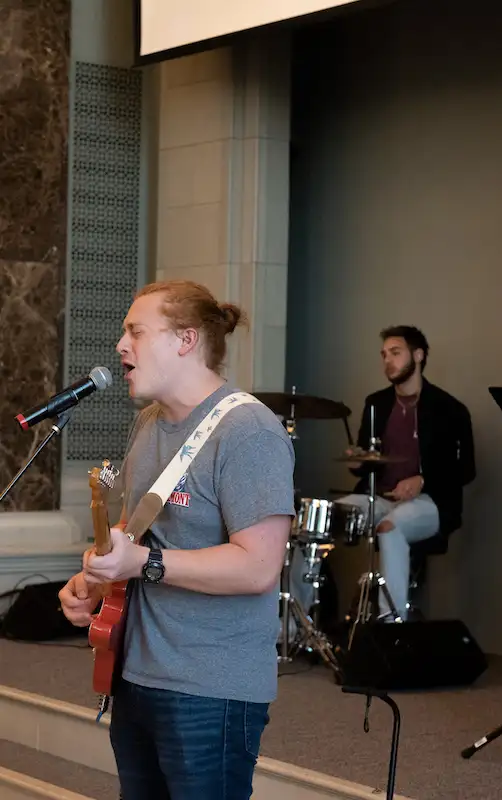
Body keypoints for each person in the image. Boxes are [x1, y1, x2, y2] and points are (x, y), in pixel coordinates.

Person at [58, 280, 295, 799]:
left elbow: (258, 567)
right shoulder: (149, 423)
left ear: (186, 340)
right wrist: (95, 577)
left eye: (136, 332)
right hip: (135, 673)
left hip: (209, 688)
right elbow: (134, 533)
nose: (121, 345)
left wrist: (143, 562)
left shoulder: (249, 431)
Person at [292, 325, 475, 622]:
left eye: (395, 353)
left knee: (390, 527)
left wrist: (423, 480)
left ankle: (391, 625)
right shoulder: (376, 403)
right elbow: (369, 460)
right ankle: (293, 625)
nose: (387, 360)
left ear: (418, 355)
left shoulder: (449, 408)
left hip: (430, 503)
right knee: (313, 522)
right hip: (378, 497)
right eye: (384, 354)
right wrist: (358, 462)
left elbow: (467, 469)